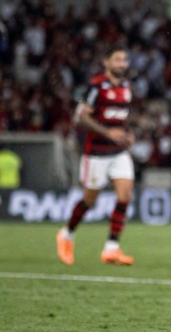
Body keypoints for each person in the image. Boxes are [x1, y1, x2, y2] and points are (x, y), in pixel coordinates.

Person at [56, 45, 136, 266]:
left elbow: (121, 117)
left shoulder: (126, 87)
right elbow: (81, 116)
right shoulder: (96, 85)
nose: (122, 64)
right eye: (117, 59)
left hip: (118, 152)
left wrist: (128, 134)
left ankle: (111, 248)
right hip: (96, 153)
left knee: (125, 196)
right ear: (106, 62)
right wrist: (107, 132)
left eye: (124, 60)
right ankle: (66, 234)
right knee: (89, 200)